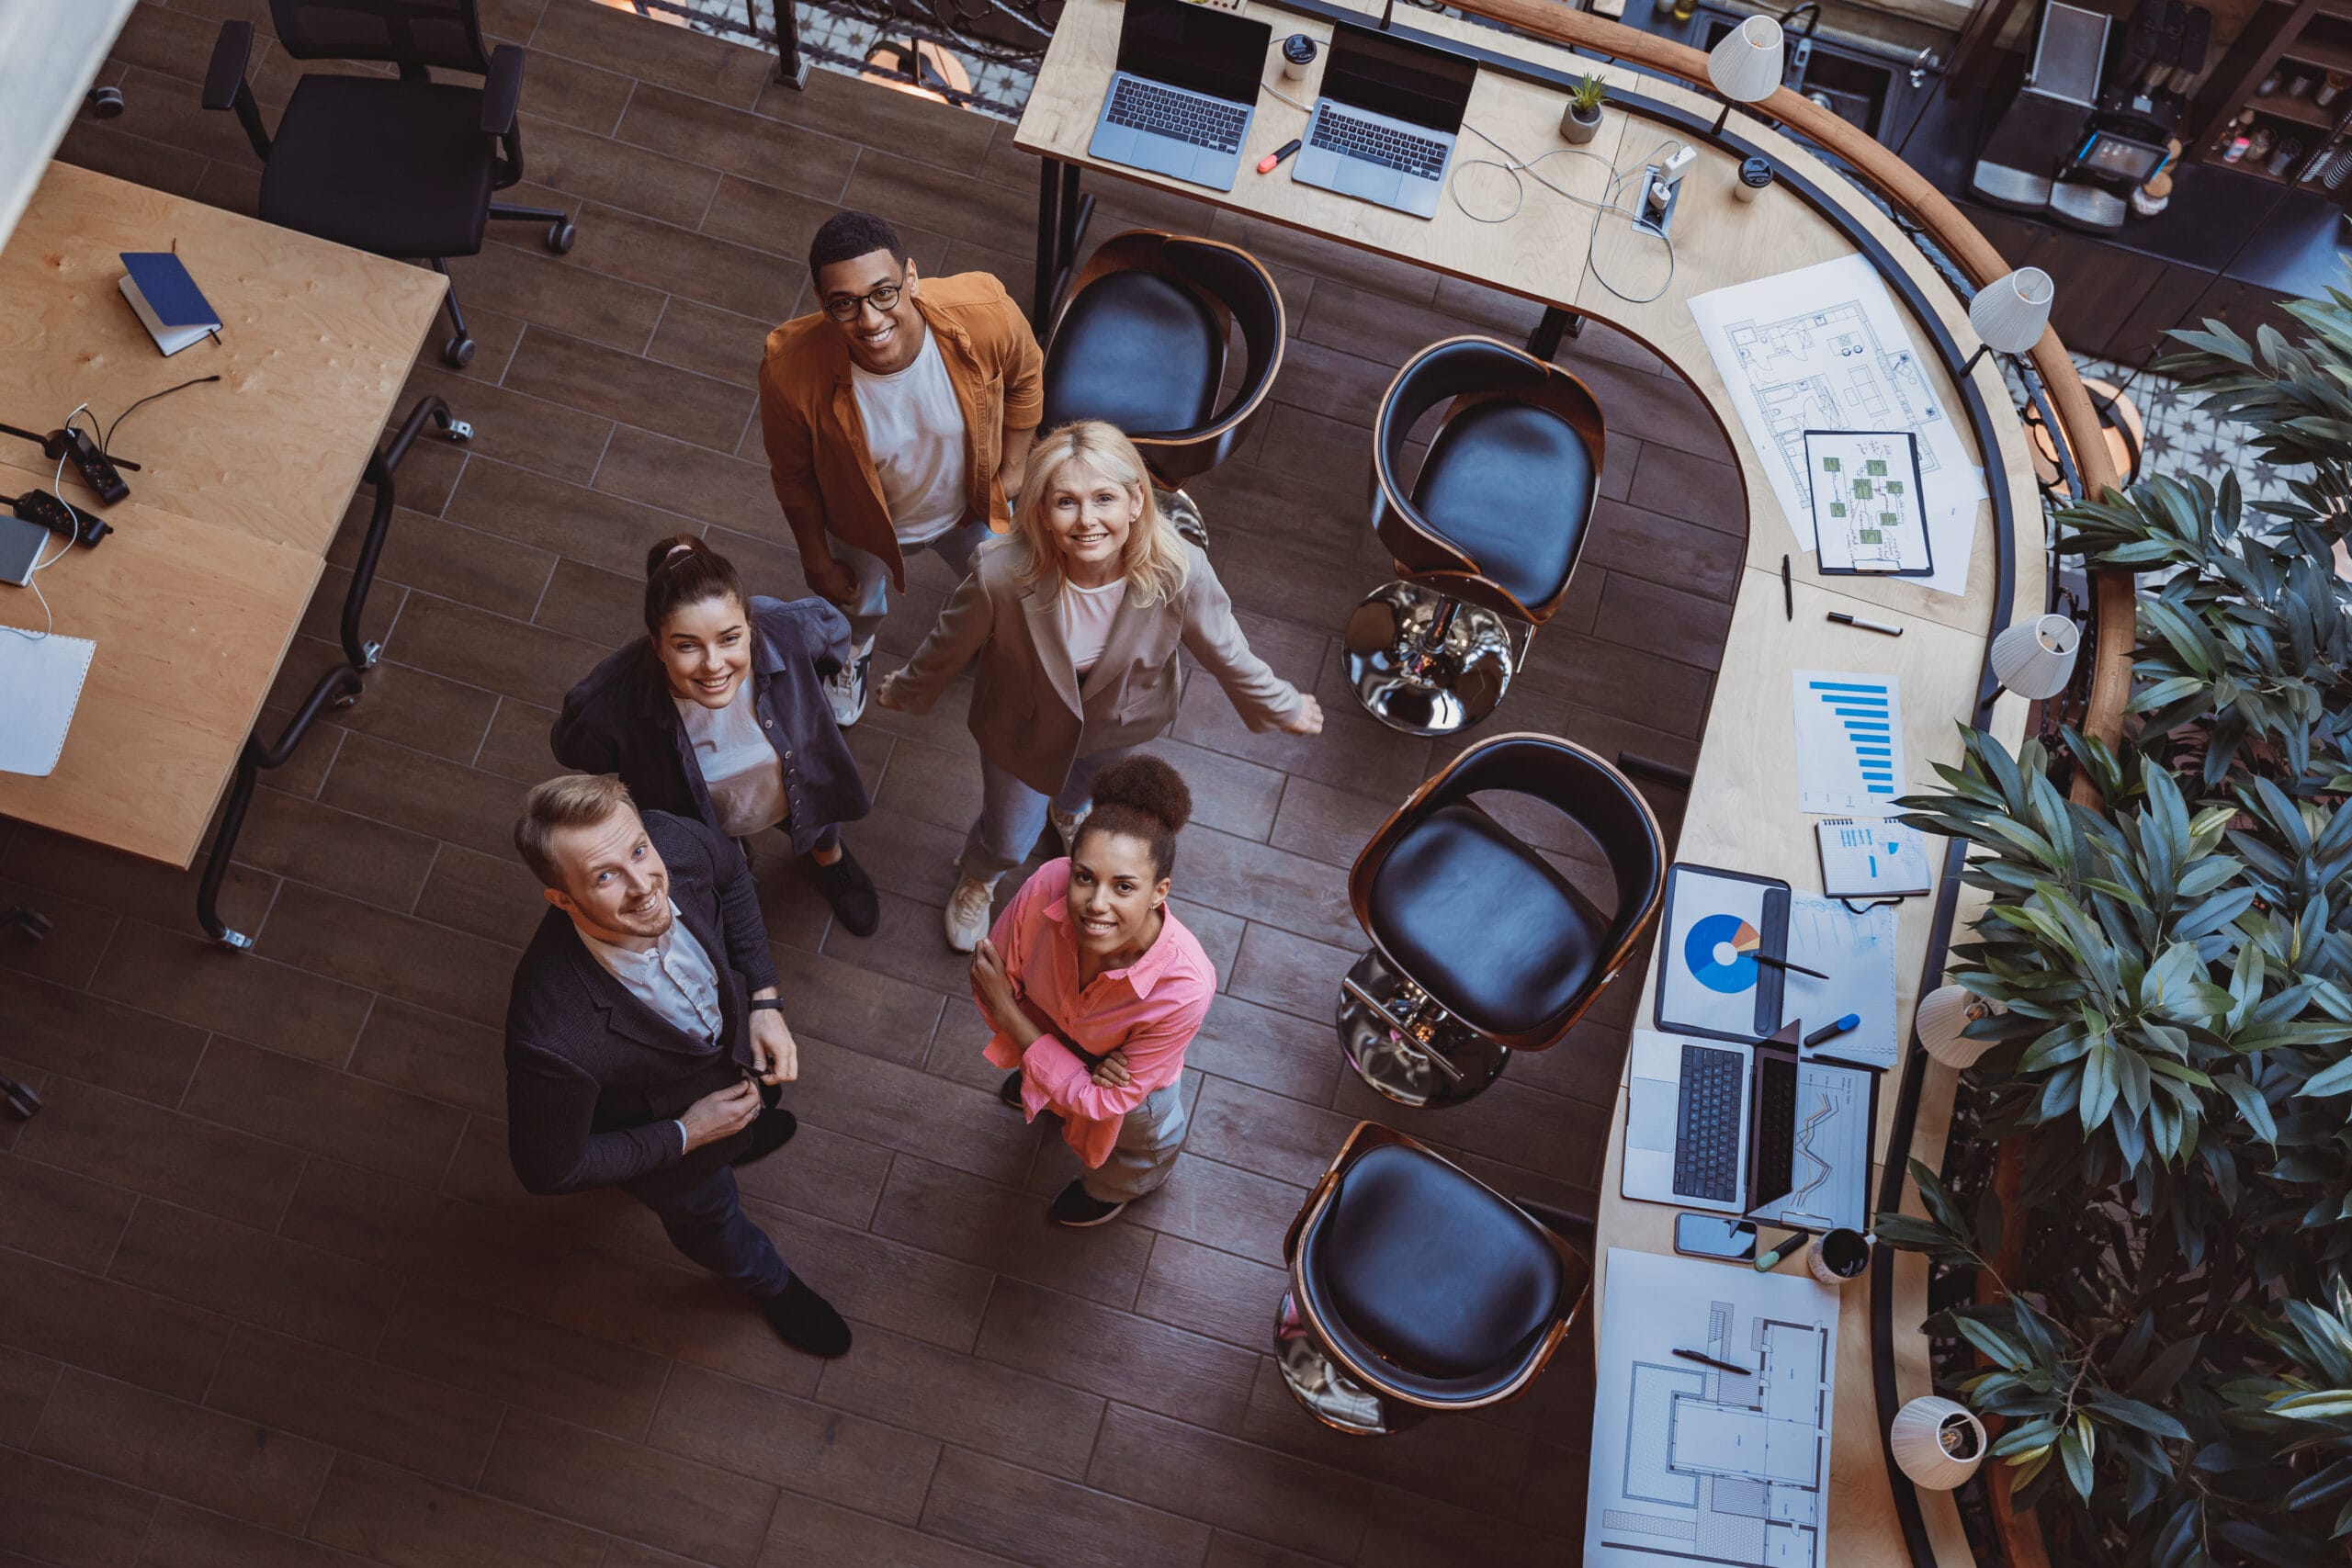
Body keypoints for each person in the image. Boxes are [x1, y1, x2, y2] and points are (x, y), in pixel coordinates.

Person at [876, 420, 1323, 951]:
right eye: (1066, 501)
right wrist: (908, 688)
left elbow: (1227, 650)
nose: (1087, 521)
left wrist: (1281, 703)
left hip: (1122, 719)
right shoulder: (1001, 575)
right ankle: (983, 873)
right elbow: (947, 641)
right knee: (1008, 833)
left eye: (1104, 498)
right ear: (1041, 509)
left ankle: (1066, 810)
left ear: (1136, 502)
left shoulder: (1180, 570)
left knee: (1086, 783)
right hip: (1021, 727)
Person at [503, 774, 851, 1358]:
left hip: (732, 1065)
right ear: (562, 899)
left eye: (637, 852)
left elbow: (734, 877)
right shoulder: (551, 1036)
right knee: (711, 1218)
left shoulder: (671, 839)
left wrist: (764, 998)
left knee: (757, 1109)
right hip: (667, 1146)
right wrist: (688, 1134)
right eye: (605, 876)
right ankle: (770, 1284)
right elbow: (550, 1170)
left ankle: (744, 1135)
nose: (645, 886)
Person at [756, 209, 1044, 728]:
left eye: (884, 292)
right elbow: (793, 477)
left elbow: (1027, 378)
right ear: (823, 303)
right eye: (844, 304)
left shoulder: (984, 312)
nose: (869, 320)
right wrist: (816, 559)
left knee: (1000, 587)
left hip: (973, 503)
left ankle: (985, 630)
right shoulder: (789, 369)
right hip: (861, 525)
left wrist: (1016, 468)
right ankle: (854, 648)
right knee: (855, 604)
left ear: (911, 277)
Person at [551, 536, 880, 936]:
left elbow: (833, 636)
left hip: (793, 785)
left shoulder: (789, 627)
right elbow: (572, 743)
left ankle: (830, 860)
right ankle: (733, 867)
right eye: (687, 645)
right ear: (656, 645)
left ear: (749, 624)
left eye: (729, 638)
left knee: (817, 819)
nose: (713, 666)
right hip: (704, 813)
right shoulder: (613, 700)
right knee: (717, 853)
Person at [969, 755, 1211, 1226]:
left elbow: (1106, 1103)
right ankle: (1047, 1083)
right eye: (1085, 877)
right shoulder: (1046, 882)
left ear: (1160, 891)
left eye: (1124, 886)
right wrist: (1080, 1064)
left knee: (1138, 1147)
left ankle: (1112, 1189)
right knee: (1060, 1083)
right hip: (1084, 1062)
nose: (1095, 905)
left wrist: (1013, 1010)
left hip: (1135, 1100)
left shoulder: (1185, 987)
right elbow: (985, 987)